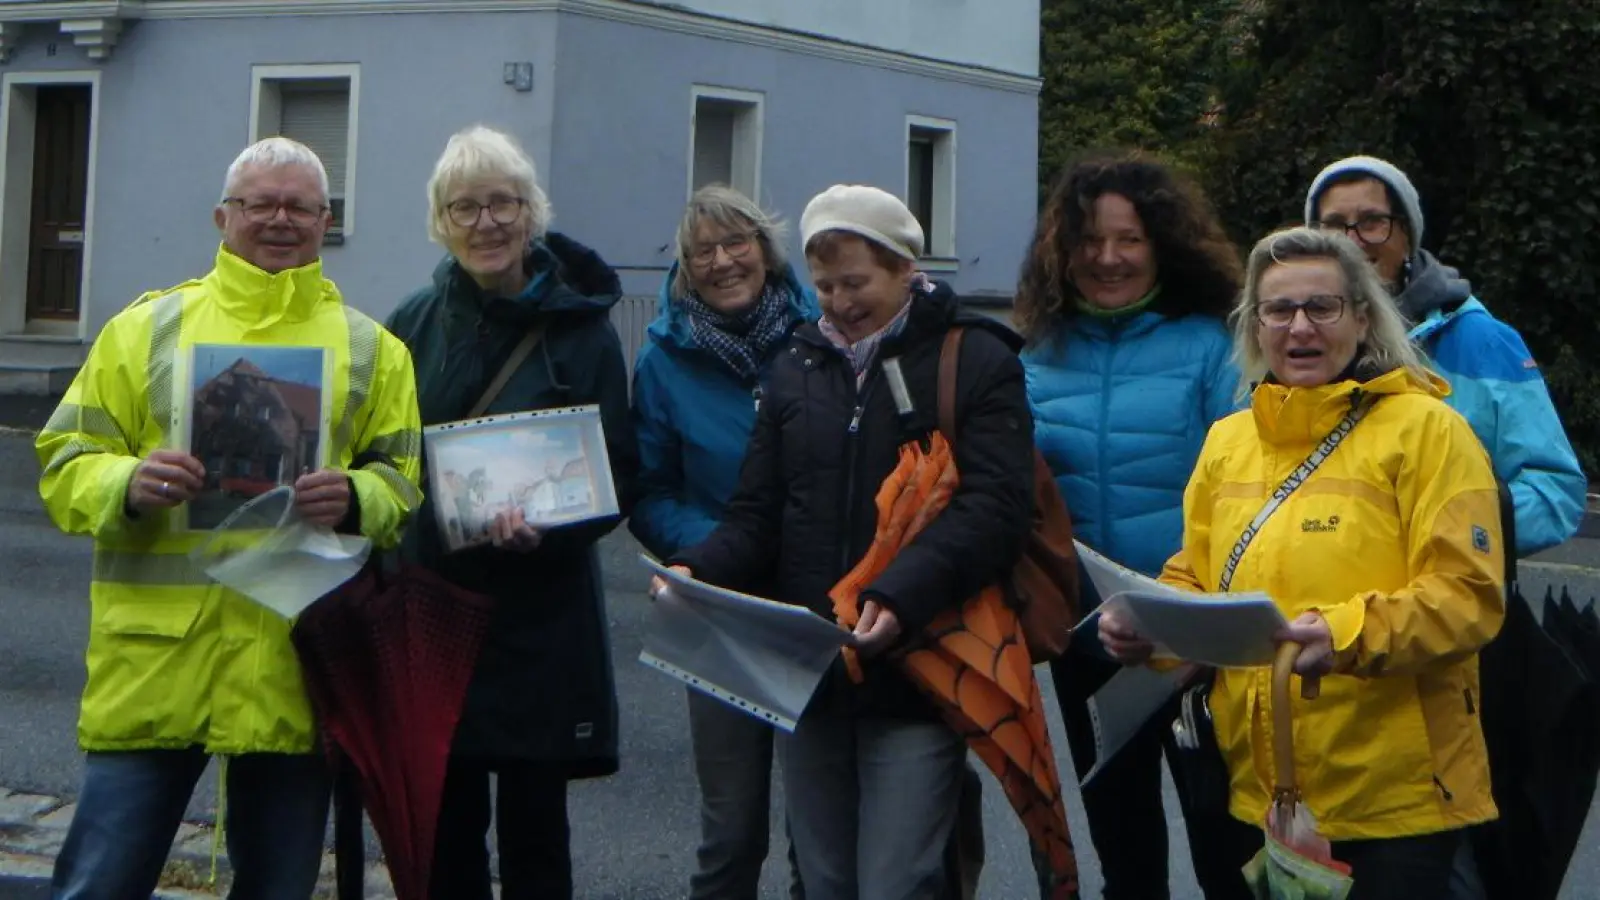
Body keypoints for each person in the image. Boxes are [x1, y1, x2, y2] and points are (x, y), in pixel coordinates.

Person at [34, 136, 424, 899]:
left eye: (299, 206)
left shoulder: (375, 350)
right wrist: (128, 482)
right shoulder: (144, 330)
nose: (279, 219)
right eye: (260, 204)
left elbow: (404, 485)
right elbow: (63, 460)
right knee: (99, 886)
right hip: (155, 667)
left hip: (294, 664)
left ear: (325, 219)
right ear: (223, 216)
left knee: (277, 890)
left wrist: (354, 498)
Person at [1102, 225, 1506, 898]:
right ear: (1255, 326)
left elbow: (1469, 596)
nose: (1299, 327)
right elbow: (1197, 575)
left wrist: (1341, 635)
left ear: (1360, 318)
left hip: (1395, 803)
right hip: (1260, 796)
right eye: (1278, 310)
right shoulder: (1229, 440)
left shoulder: (1431, 431)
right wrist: (1151, 628)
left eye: (1322, 307)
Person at [657, 184, 1037, 899]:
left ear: (903, 268)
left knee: (896, 882)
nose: (837, 302)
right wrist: (694, 570)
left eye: (856, 282)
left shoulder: (974, 357)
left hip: (920, 665)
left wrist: (898, 595)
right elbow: (757, 511)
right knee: (826, 882)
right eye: (824, 285)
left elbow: (996, 508)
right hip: (816, 676)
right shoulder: (799, 365)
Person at [383, 124, 639, 900]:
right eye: (465, 208)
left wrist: (552, 527)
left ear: (532, 212)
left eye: (504, 203)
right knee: (446, 835)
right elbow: (381, 461)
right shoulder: (412, 325)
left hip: (541, 614)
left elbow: (616, 470)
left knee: (537, 837)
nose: (486, 223)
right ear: (440, 221)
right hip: (437, 609)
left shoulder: (583, 332)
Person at [1012, 151, 1244, 899]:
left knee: (1224, 844)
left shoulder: (1214, 345)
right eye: (1089, 240)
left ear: (1163, 244)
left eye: (1130, 239)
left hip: (1195, 637)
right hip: (1089, 636)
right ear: (1061, 249)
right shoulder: (1037, 354)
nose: (1107, 258)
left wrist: (1200, 618)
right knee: (1123, 846)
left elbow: (1244, 492)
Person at [628, 184, 817, 899]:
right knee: (731, 829)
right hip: (719, 609)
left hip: (814, 604)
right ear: (684, 267)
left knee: (820, 829)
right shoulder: (663, 359)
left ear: (766, 250)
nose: (722, 260)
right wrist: (718, 550)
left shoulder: (820, 335)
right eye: (701, 250)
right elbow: (648, 489)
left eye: (736, 242)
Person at [1303, 156, 1585, 557]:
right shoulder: (1290, 343)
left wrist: (1447, 531)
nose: (1353, 240)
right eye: (1332, 226)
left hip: (1445, 605)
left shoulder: (1483, 341)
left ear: (1407, 235)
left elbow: (1553, 491)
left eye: (1371, 222)